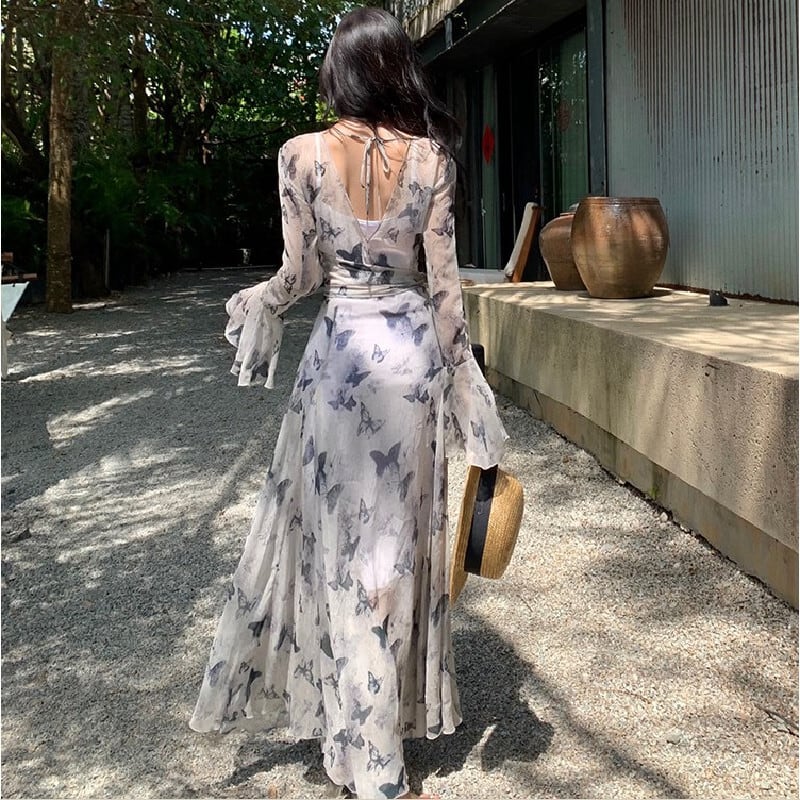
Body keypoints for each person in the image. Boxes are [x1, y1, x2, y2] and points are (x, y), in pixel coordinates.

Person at [189, 7, 507, 798]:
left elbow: (300, 275)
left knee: (339, 556)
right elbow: (445, 289)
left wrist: (261, 300)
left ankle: (359, 749)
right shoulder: (430, 158)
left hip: (339, 364)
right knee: (393, 557)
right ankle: (375, 743)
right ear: (396, 68)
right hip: (410, 366)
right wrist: (466, 381)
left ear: (340, 70)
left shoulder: (299, 156)